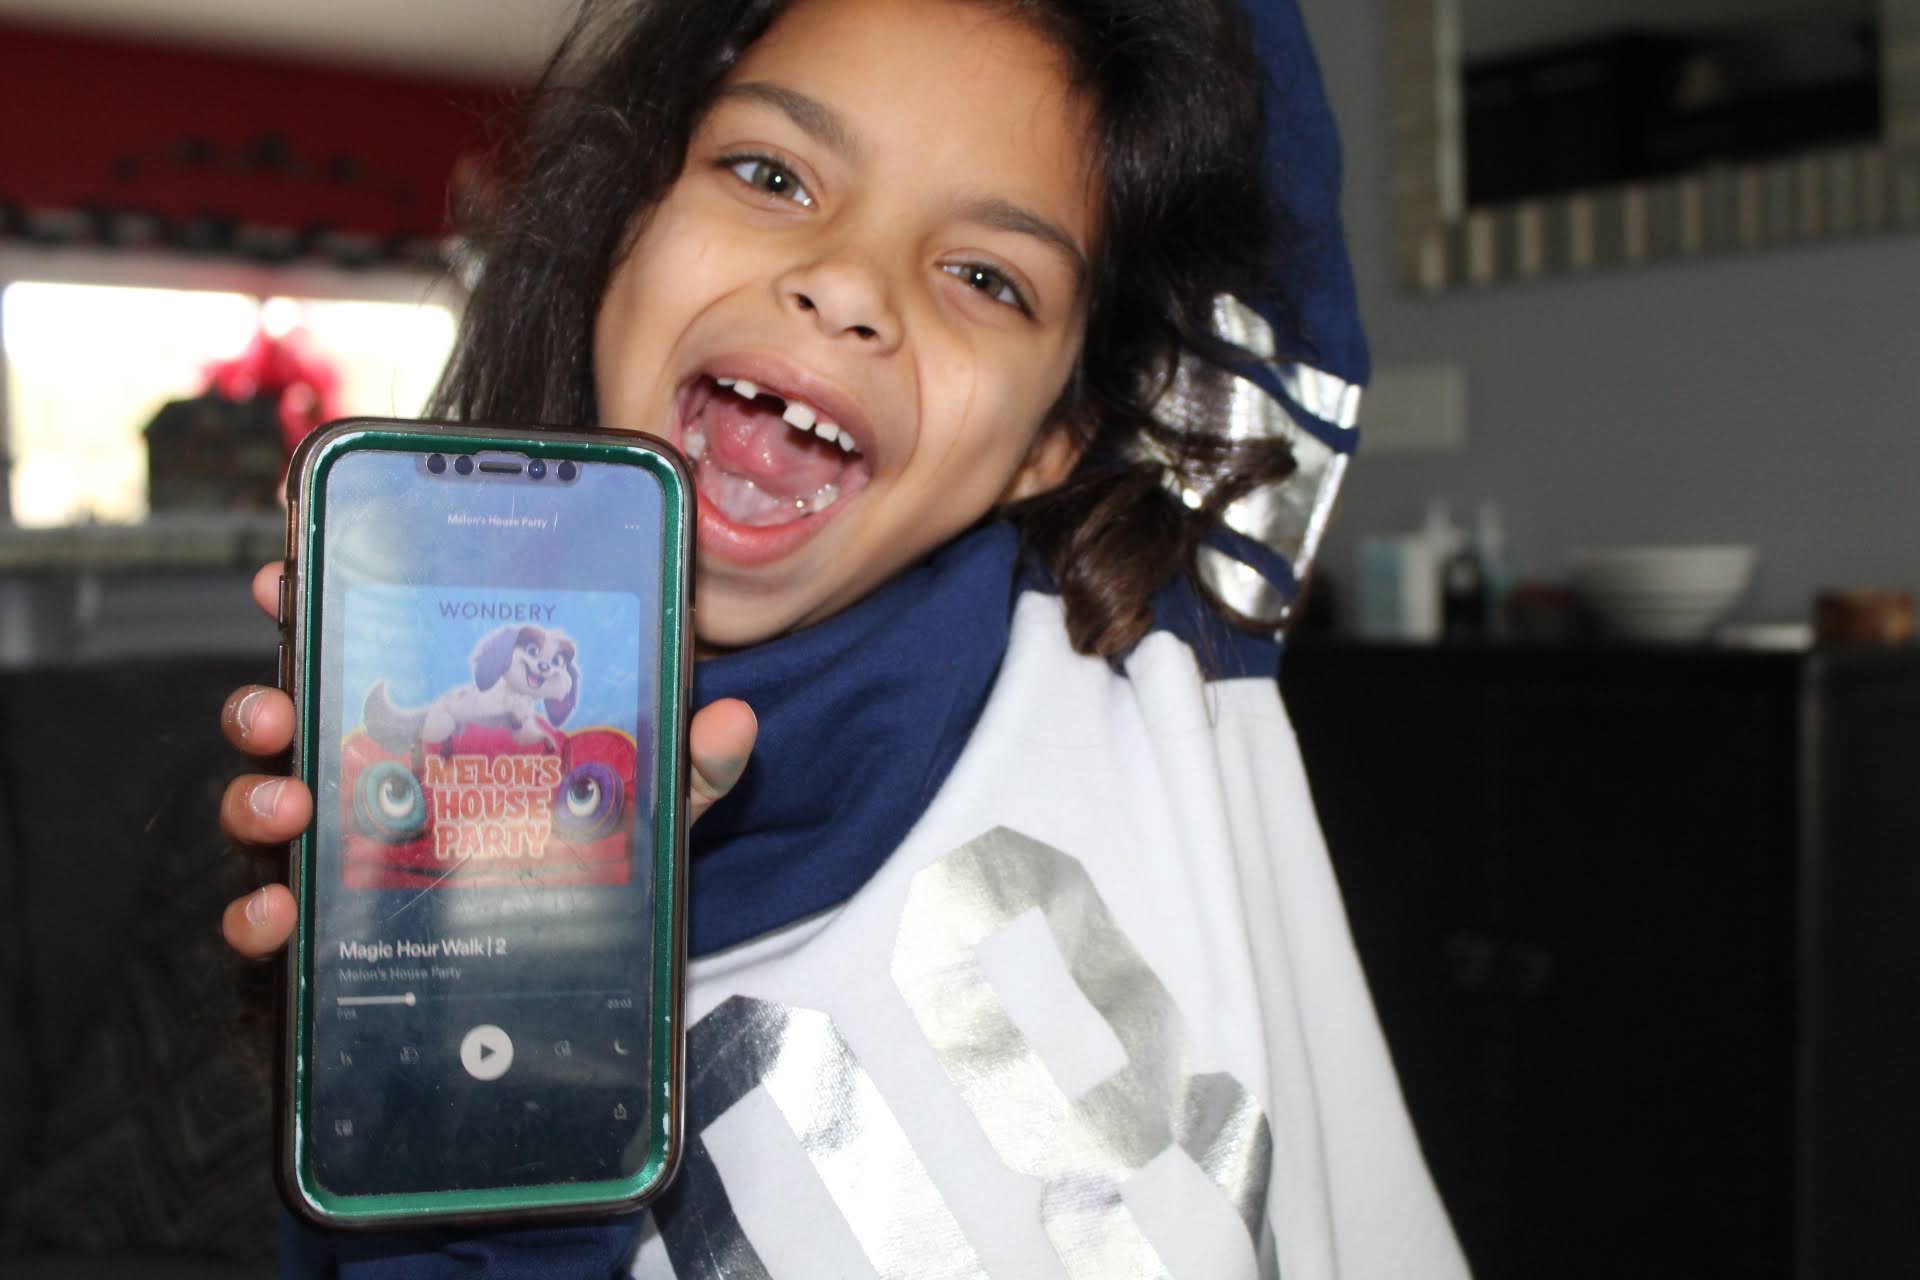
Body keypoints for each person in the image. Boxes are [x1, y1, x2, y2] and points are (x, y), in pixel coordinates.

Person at [216, 0, 1469, 1274]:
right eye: (769, 173)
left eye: (989, 276)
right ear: (621, 237)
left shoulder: (1164, 636)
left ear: (1057, 435)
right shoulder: (448, 892)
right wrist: (479, 1028)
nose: (852, 283)